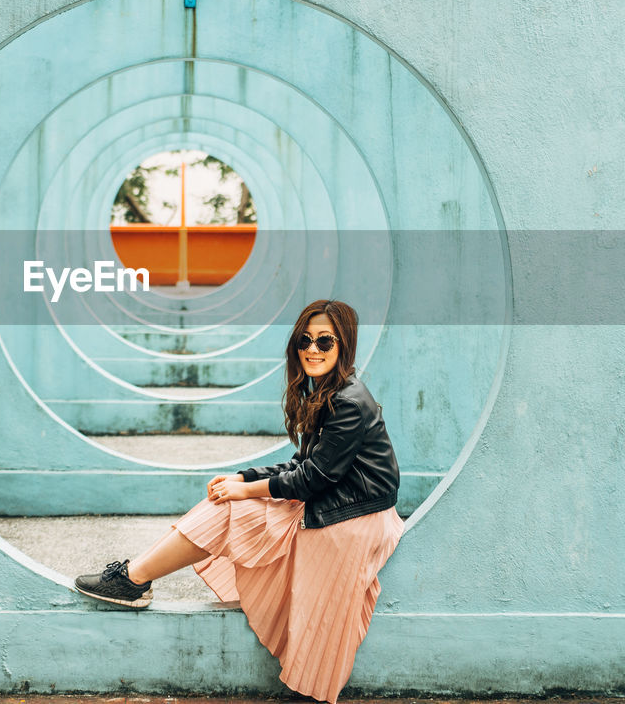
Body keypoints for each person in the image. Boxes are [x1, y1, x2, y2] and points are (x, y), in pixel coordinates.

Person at [74, 299, 403, 704]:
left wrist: (246, 491)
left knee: (237, 510)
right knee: (226, 506)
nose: (312, 349)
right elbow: (304, 465)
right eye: (305, 339)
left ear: (343, 347)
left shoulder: (349, 402)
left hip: (356, 516)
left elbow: (312, 478)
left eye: (325, 341)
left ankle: (134, 580)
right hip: (332, 501)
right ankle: (134, 578)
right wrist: (244, 478)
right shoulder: (328, 393)